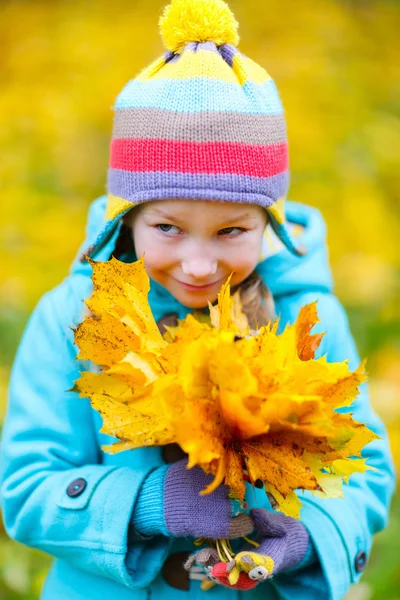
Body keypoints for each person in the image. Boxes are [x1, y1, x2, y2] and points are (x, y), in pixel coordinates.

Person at [0, 0, 395, 598]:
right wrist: (147, 503)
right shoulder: (76, 319)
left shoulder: (306, 321)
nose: (200, 264)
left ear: (271, 225)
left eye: (232, 231)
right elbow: (27, 488)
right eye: (168, 228)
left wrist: (308, 537)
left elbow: (361, 470)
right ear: (126, 219)